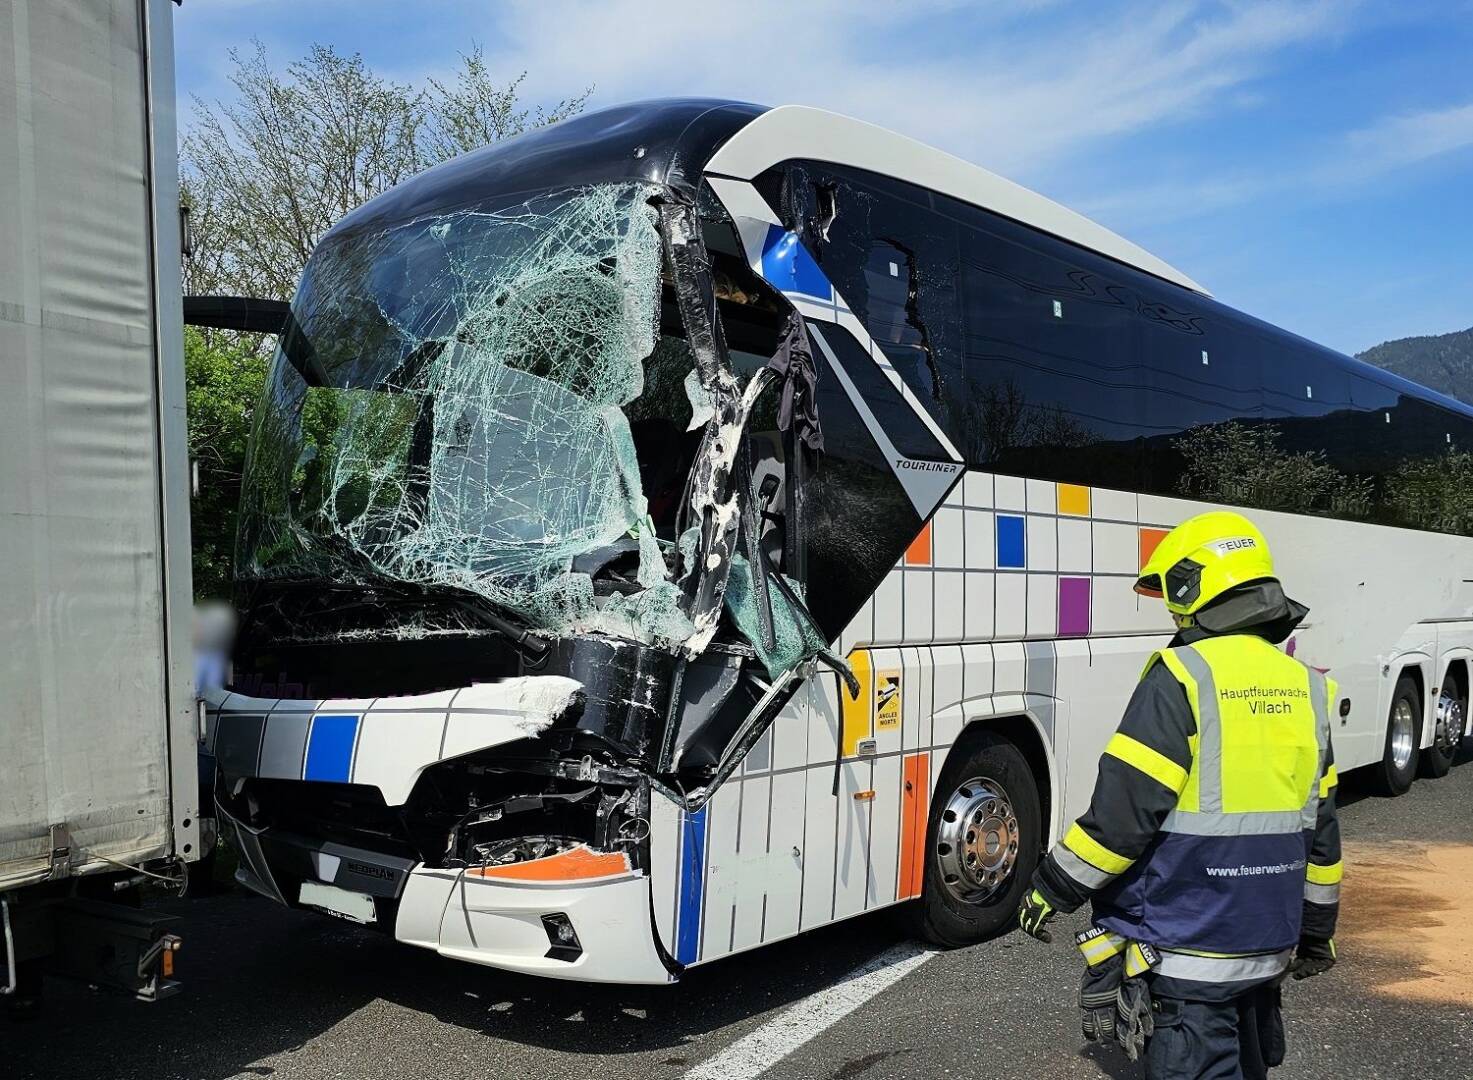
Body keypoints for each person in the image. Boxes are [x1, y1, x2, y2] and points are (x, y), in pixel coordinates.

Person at [1017, 511, 1341, 1080]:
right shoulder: (1306, 685)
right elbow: (1322, 833)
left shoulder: (1181, 675)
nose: (1171, 612)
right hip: (1269, 945)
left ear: (1197, 585)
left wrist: (1051, 888)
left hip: (1191, 948)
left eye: (1172, 596)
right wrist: (1317, 931)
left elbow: (1123, 816)